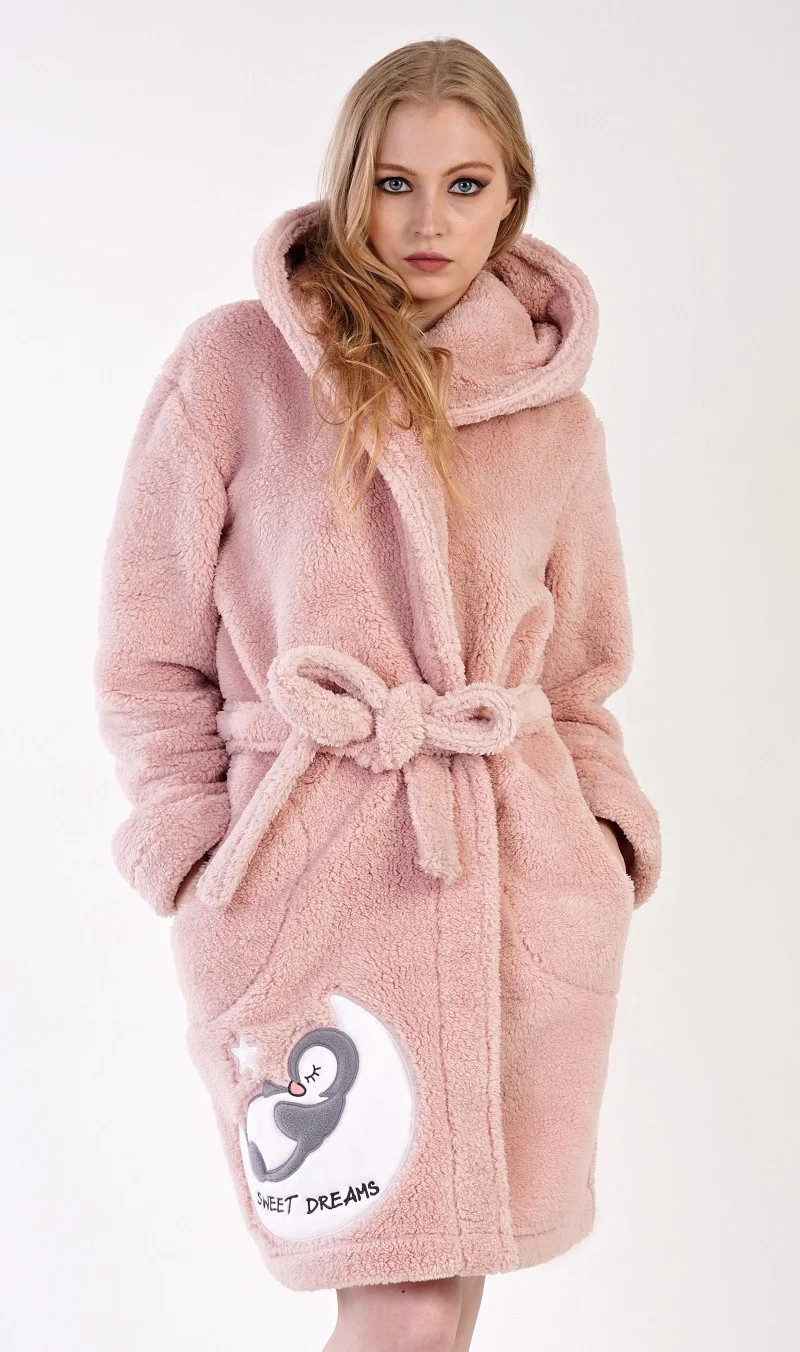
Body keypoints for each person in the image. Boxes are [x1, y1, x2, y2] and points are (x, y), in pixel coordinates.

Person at [93, 36, 662, 1352]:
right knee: (399, 1307)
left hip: (516, 882)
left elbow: (581, 673)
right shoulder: (235, 370)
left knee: (444, 1307)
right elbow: (143, 650)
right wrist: (193, 846)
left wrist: (602, 837)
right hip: (310, 886)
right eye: (395, 183)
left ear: (512, 197)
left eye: (466, 187)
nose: (426, 223)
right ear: (349, 184)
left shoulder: (555, 417)